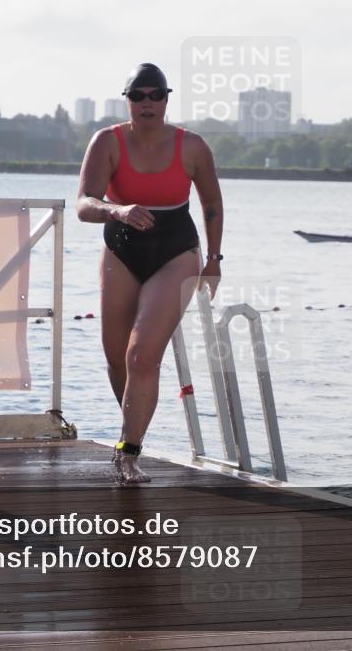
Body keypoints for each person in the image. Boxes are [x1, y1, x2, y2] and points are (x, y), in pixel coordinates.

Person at [76, 63, 224, 484]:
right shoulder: (107, 141)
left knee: (141, 355)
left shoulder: (192, 146)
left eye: (156, 95)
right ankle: (133, 429)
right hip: (121, 249)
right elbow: (84, 203)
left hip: (176, 253)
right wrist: (117, 210)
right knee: (116, 359)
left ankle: (129, 452)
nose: (147, 103)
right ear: (127, 100)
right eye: (138, 95)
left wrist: (214, 261)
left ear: (166, 99)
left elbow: (212, 205)